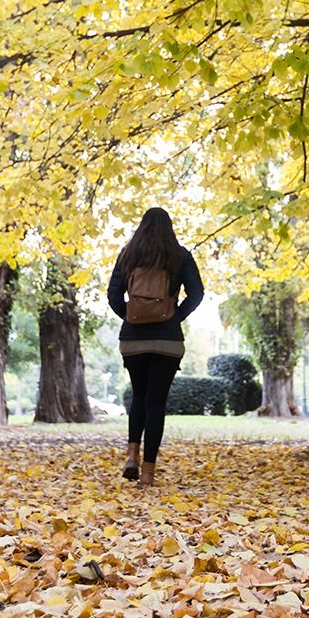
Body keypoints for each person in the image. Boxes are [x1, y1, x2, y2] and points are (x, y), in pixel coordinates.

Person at [107, 207, 204, 486]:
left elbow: (113, 294)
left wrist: (129, 316)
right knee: (156, 402)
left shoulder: (128, 254)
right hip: (167, 340)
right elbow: (197, 293)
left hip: (133, 340)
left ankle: (131, 456)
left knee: (139, 396)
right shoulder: (180, 255)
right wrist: (175, 316)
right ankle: (148, 473)